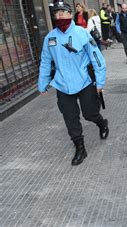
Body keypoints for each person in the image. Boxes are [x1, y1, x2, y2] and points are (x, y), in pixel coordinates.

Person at [37, 2, 109, 166]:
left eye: (64, 12)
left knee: (90, 114)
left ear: (70, 14)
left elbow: (96, 58)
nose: (61, 15)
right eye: (57, 12)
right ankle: (80, 148)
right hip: (62, 85)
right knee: (70, 118)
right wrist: (43, 83)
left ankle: (101, 123)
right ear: (54, 16)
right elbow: (45, 62)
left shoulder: (82, 33)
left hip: (84, 82)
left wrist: (100, 81)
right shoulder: (50, 38)